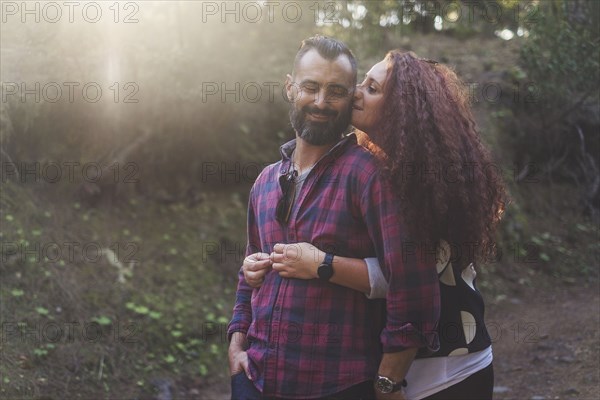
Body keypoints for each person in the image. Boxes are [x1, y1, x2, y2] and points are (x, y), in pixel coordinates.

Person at [244, 50, 506, 399]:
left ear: (401, 106)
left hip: (447, 366)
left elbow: (411, 279)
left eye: (371, 88)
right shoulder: (380, 165)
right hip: (400, 365)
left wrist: (321, 264)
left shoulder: (420, 180)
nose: (355, 93)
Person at [228, 37, 440, 400]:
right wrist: (236, 344)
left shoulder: (370, 176)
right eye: (310, 87)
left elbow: (413, 288)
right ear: (290, 87)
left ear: (351, 97)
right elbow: (249, 275)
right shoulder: (264, 181)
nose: (322, 102)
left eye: (336, 91)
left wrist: (388, 382)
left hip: (337, 384)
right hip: (255, 379)